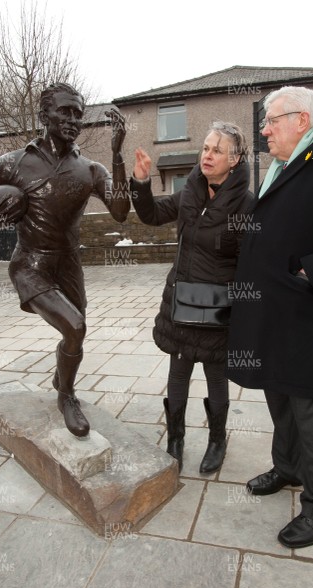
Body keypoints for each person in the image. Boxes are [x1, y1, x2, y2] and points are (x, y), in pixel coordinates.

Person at [0, 82, 130, 438]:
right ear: (44, 116)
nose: (73, 120)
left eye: (78, 114)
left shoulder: (91, 169)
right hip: (30, 264)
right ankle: (66, 396)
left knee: (76, 335)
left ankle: (61, 377)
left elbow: (119, 211)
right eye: (65, 112)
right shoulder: (12, 163)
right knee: (75, 327)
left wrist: (117, 156)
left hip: (68, 263)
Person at [227, 85, 313, 549]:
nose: (263, 129)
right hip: (269, 311)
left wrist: (307, 271)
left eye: (271, 120)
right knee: (278, 396)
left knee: (310, 409)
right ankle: (289, 467)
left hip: (304, 312)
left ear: (302, 120)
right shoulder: (280, 165)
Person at [130, 122, 252, 473]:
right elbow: (151, 214)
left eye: (217, 149)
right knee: (178, 370)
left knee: (216, 374)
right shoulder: (189, 194)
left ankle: (217, 440)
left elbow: (249, 263)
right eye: (205, 147)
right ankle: (175, 438)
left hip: (218, 310)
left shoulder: (246, 205)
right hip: (180, 301)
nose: (208, 154)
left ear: (235, 158)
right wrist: (141, 181)